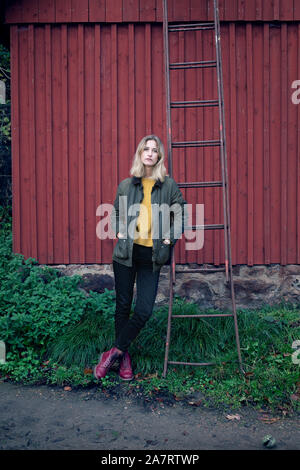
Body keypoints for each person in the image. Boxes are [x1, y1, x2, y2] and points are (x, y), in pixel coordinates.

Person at [93, 135, 187, 381]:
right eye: (146, 149)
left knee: (144, 309)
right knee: (123, 306)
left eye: (154, 150)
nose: (149, 153)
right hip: (126, 254)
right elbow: (114, 213)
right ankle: (123, 359)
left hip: (152, 257)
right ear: (139, 153)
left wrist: (169, 238)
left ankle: (112, 353)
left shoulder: (168, 185)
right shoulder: (126, 185)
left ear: (159, 157)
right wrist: (119, 231)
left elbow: (181, 213)